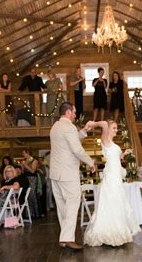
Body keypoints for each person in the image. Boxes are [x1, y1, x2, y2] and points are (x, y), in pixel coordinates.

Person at [84, 120, 140, 246]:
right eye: (114, 128)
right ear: (108, 129)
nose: (116, 130)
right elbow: (104, 123)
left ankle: (118, 230)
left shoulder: (113, 143)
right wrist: (92, 123)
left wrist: (124, 154)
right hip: (111, 177)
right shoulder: (105, 139)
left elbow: (116, 159)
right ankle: (107, 233)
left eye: (116, 128)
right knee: (111, 200)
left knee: (117, 201)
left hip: (115, 176)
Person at [49, 102, 96, 250]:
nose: (76, 114)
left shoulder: (55, 126)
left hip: (56, 173)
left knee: (62, 206)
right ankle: (68, 238)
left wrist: (84, 130)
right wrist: (91, 162)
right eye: (74, 112)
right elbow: (76, 149)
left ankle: (64, 238)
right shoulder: (68, 127)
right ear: (68, 112)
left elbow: (71, 141)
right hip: (67, 173)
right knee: (72, 204)